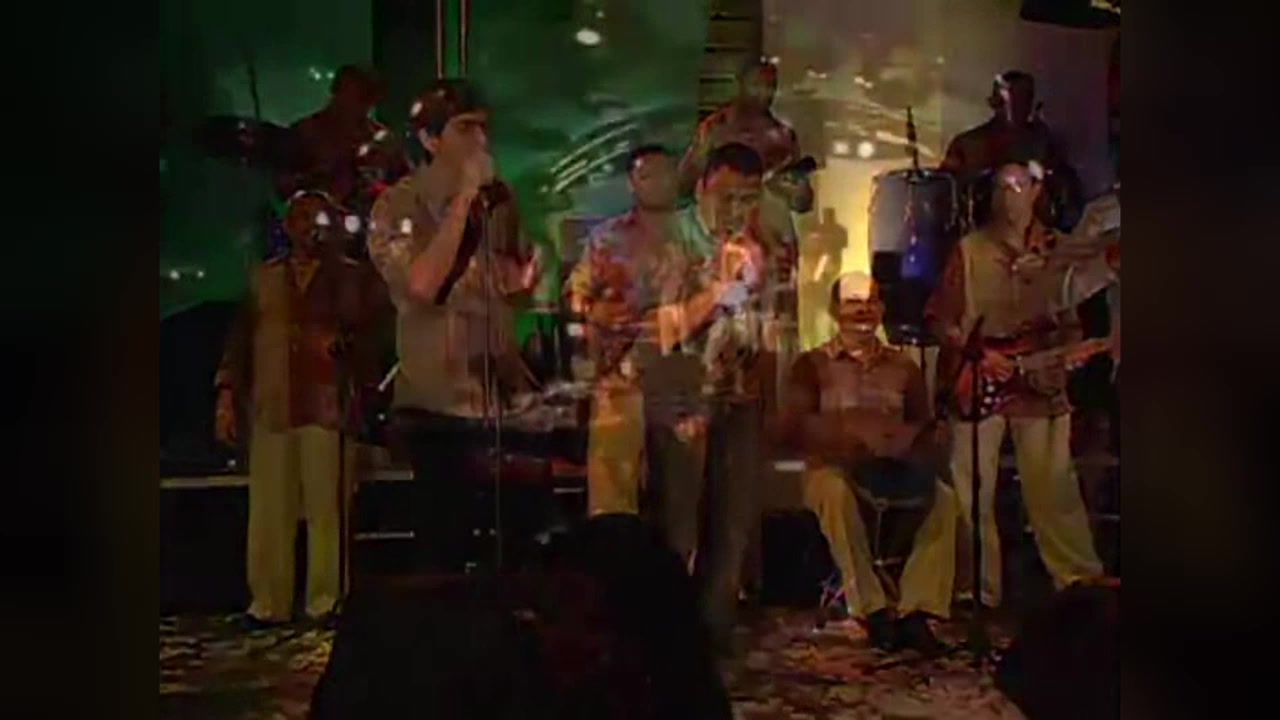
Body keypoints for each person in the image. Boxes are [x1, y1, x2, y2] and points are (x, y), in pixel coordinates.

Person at [365, 79, 537, 573]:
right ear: (429, 138)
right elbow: (421, 284)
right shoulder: (398, 205)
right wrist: (462, 200)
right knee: (444, 545)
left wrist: (528, 275)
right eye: (465, 129)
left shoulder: (500, 201)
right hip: (437, 402)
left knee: (516, 545)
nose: (480, 140)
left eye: (483, 128)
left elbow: (515, 280)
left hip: (498, 396)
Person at [925, 162, 1104, 609]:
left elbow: (1073, 317)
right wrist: (977, 353)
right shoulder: (970, 250)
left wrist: (1068, 355)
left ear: (1037, 191)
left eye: (1020, 185)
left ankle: (1079, 584)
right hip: (982, 371)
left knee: (1053, 486)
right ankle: (976, 590)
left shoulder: (1060, 248)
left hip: (1038, 376)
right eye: (1002, 186)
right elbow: (941, 318)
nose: (1010, 195)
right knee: (970, 490)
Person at [779, 271, 956, 652]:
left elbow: (923, 425)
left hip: (893, 467)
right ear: (834, 310)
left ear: (881, 309)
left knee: (944, 500)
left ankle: (917, 610)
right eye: (852, 302)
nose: (862, 310)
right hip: (832, 468)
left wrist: (914, 443)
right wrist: (844, 440)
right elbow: (794, 427)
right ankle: (871, 608)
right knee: (835, 494)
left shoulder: (904, 367)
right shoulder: (811, 365)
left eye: (870, 302)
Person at [215, 191, 364, 627]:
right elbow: (239, 340)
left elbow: (364, 329)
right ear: (286, 224)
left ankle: (325, 599)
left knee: (325, 509)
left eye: (316, 217)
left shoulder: (347, 277)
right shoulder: (264, 278)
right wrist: (226, 394)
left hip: (326, 405)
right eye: (299, 217)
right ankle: (268, 602)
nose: (307, 226)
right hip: (273, 402)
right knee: (269, 510)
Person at [653, 142, 771, 656]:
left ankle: (717, 633)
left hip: (739, 393)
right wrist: (721, 285)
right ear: (701, 188)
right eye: (727, 196)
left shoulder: (754, 243)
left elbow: (763, 323)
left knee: (734, 520)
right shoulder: (671, 239)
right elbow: (667, 329)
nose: (736, 209)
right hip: (684, 394)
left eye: (748, 198)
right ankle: (672, 639)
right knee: (681, 522)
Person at [563, 144, 683, 517]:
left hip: (682, 378)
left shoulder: (694, 235)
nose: (657, 183)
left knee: (678, 497)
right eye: (646, 175)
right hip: (619, 377)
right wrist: (593, 310)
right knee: (612, 493)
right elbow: (574, 295)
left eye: (664, 173)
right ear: (632, 182)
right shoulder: (607, 238)